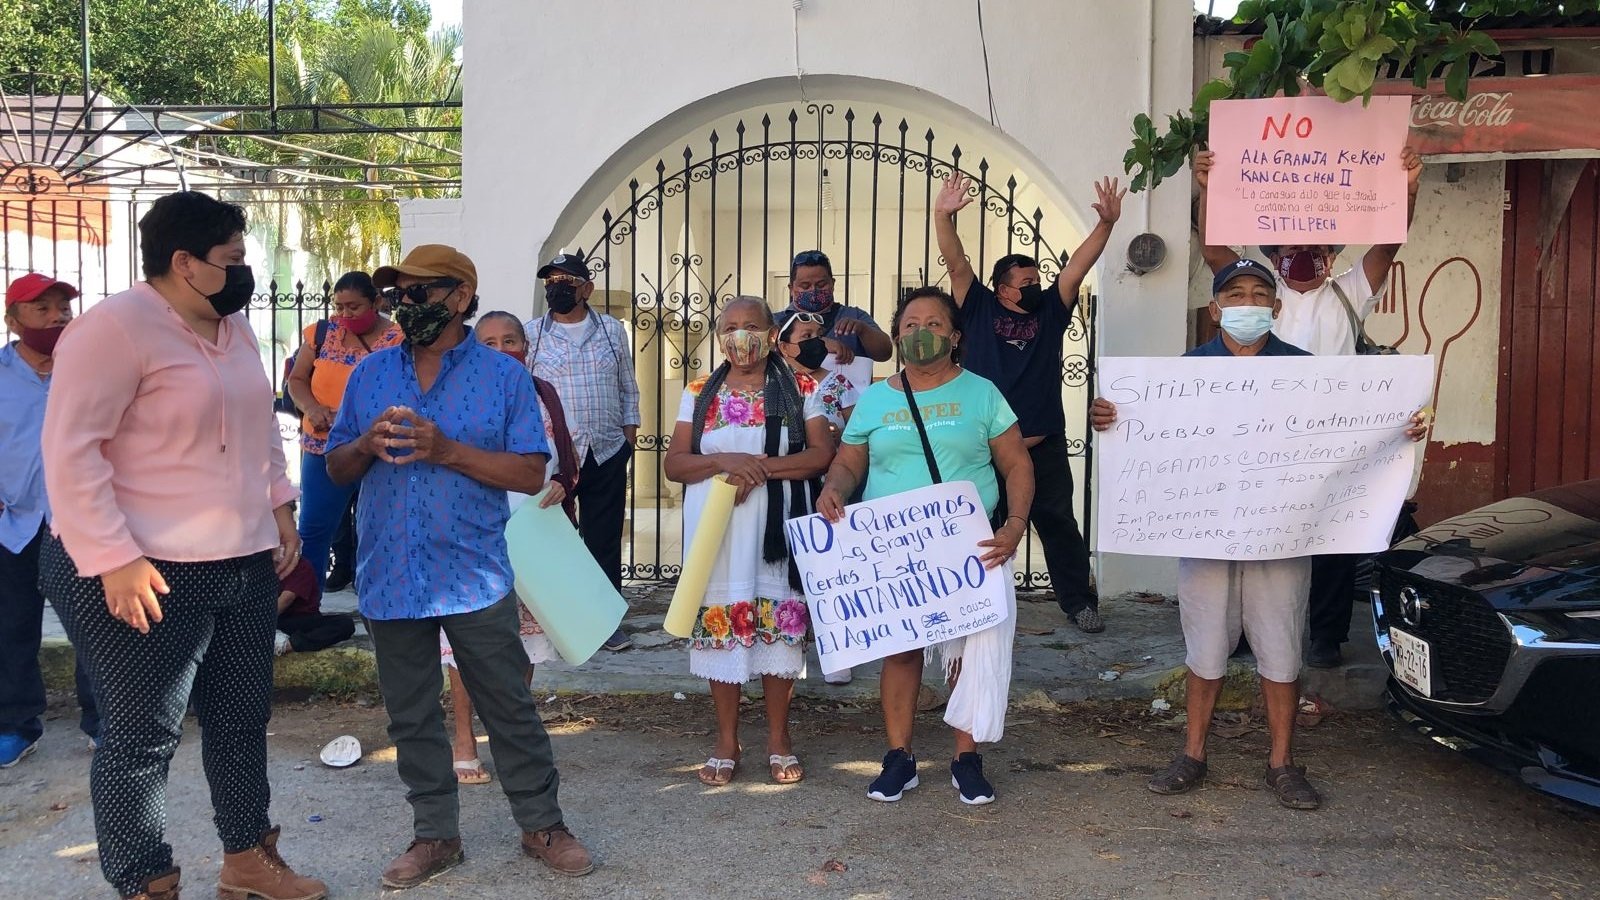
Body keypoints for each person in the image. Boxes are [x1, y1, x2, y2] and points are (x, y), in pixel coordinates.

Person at [40, 191, 325, 900]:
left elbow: (260, 429)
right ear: (185, 263)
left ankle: (248, 860)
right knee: (142, 735)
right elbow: (72, 452)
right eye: (232, 260)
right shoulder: (114, 330)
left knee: (240, 718)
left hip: (240, 561)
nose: (244, 271)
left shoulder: (236, 330)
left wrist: (280, 508)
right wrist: (113, 558)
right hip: (141, 566)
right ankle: (146, 881)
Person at [1090, 258, 1430, 811]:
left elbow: (1353, 425)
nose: (1246, 305)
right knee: (1204, 647)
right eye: (1235, 295)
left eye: (1258, 295)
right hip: (1205, 536)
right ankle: (1193, 754)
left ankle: (1282, 763)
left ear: (1275, 309)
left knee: (1280, 650)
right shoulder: (1184, 372)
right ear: (1215, 307)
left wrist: (1401, 425)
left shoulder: (1305, 371)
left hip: (1281, 535)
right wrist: (1112, 417)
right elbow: (1152, 433)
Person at [326, 245, 593, 887]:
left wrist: (446, 450)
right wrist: (363, 444)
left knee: (508, 705)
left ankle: (542, 824)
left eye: (425, 291)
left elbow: (532, 471)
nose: (410, 304)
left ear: (462, 296)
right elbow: (335, 468)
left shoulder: (504, 377)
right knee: (411, 714)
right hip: (391, 575)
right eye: (402, 295)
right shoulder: (370, 376)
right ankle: (435, 836)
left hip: (472, 573)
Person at [1194, 146, 1424, 669]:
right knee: (1256, 530)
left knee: (1333, 538)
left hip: (1331, 435)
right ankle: (1248, 633)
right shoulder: (1258, 295)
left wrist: (1406, 191)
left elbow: (1388, 242)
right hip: (1261, 435)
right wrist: (1209, 188)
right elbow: (1212, 250)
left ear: (1333, 254)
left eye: (1316, 247)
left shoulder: (1349, 292)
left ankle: (1326, 634)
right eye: (1292, 247)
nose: (1304, 256)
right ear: (1273, 255)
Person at [816, 286, 1034, 806]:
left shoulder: (982, 393)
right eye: (911, 324)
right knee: (901, 650)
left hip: (967, 544)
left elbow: (1016, 464)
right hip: (894, 548)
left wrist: (1016, 523)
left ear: (955, 337)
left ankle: (966, 757)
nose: (921, 333)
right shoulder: (876, 399)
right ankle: (899, 758)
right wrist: (833, 488)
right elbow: (849, 463)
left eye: (934, 324)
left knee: (968, 650)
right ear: (896, 335)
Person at [933, 174, 1124, 634]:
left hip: (1042, 443)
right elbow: (956, 263)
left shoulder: (1050, 312)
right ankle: (968, 607)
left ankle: (1080, 603)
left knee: (1058, 523)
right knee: (976, 526)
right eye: (1025, 281)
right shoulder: (976, 307)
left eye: (1037, 279)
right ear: (1002, 288)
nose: (1035, 286)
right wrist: (943, 215)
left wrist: (1107, 226)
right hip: (984, 447)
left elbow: (1077, 267)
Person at [662, 296, 836, 787]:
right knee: (724, 627)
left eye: (752, 326)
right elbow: (675, 463)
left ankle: (779, 740)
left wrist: (756, 469)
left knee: (778, 627)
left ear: (772, 333)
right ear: (720, 336)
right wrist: (725, 462)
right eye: (731, 327)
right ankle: (725, 742)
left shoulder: (804, 386)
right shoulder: (699, 391)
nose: (741, 336)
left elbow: (821, 455)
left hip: (775, 531)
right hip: (716, 529)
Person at [445, 311, 580, 786]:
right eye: (490, 342)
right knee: (465, 641)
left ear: (527, 345)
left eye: (511, 341)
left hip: (536, 534)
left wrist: (564, 482)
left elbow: (566, 453)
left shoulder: (543, 392)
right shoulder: (460, 393)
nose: (502, 351)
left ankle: (508, 735)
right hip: (475, 533)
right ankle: (464, 740)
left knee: (524, 643)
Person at [0, 272, 98, 766]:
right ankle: (17, 725)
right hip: (12, 524)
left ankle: (103, 721)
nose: (57, 316)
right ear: (12, 317)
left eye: (63, 307)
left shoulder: (92, 368)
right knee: (10, 627)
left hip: (79, 521)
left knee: (94, 626)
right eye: (42, 308)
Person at [524, 250, 641, 652]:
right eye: (550, 283)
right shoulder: (532, 333)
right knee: (557, 538)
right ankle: (559, 618)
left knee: (603, 537)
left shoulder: (611, 330)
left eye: (566, 283)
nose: (557, 289)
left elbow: (628, 386)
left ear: (586, 288)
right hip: (557, 457)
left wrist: (628, 435)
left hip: (606, 449)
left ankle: (606, 622)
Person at [285, 270, 403, 590]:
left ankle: (378, 605)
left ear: (376, 302)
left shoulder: (399, 340)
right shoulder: (321, 334)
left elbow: (404, 392)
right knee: (314, 529)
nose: (345, 314)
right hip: (321, 447)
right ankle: (307, 606)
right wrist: (311, 407)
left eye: (354, 307)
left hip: (375, 450)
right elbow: (296, 381)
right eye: (339, 307)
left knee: (378, 529)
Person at [775, 310, 861, 685]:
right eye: (804, 335)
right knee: (790, 571)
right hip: (788, 486)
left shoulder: (837, 382)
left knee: (833, 567)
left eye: (818, 335)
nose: (815, 343)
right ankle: (791, 645)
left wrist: (835, 437)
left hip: (831, 487)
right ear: (783, 344)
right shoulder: (773, 384)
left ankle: (838, 648)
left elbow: (860, 430)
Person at [774, 249, 892, 392]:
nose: (814, 291)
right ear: (791, 288)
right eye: (805, 286)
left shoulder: (855, 316)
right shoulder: (775, 321)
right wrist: (820, 344)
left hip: (850, 409)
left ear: (833, 283)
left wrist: (863, 330)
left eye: (821, 284)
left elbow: (885, 353)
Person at [274, 556, 356, 655]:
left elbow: (286, 599)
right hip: (274, 621)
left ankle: (289, 645)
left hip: (301, 620)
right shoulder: (261, 566)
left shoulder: (300, 565)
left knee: (345, 624)